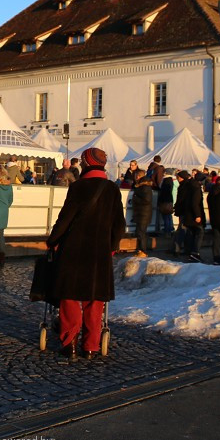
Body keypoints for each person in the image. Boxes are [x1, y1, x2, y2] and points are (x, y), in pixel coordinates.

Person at [46, 147, 125, 360]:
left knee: (70, 296)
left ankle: (69, 343)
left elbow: (65, 218)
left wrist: (53, 240)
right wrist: (112, 245)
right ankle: (91, 346)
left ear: (85, 163)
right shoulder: (112, 189)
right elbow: (119, 224)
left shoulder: (79, 187)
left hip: (74, 249)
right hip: (100, 251)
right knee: (95, 299)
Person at [173, 170, 205, 261]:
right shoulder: (193, 187)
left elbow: (182, 200)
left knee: (187, 231)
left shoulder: (185, 186)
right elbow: (194, 202)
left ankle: (184, 250)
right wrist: (197, 215)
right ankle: (192, 252)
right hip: (189, 213)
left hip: (185, 212)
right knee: (193, 231)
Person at [130, 169, 154, 254]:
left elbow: (147, 200)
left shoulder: (145, 187)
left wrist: (135, 199)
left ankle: (143, 250)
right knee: (140, 232)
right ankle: (141, 249)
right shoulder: (140, 186)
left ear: (141, 176)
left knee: (141, 232)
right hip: (141, 213)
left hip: (144, 213)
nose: (136, 177)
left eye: (137, 176)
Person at [156, 169, 176, 234]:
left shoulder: (166, 180)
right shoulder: (171, 180)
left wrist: (160, 201)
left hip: (165, 200)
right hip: (169, 200)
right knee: (169, 215)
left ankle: (167, 229)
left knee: (166, 215)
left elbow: (164, 191)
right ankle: (171, 228)